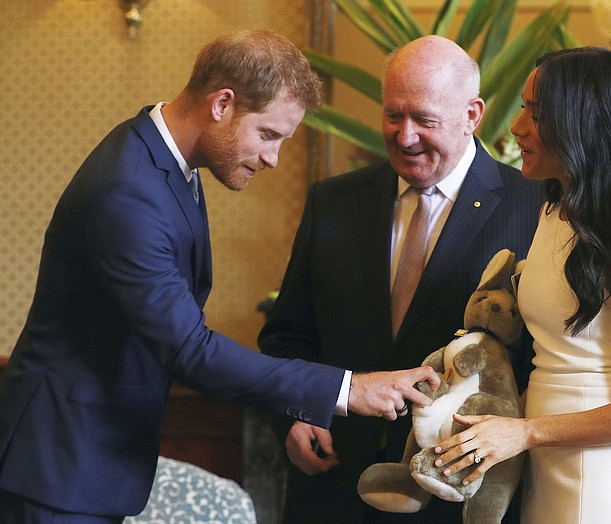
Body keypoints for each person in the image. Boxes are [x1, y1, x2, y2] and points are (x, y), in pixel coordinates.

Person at [0, 29, 439, 523]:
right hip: (59, 463)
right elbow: (190, 350)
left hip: (84, 458)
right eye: (268, 135)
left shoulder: (167, 162)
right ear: (222, 104)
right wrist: (347, 389)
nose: (272, 158)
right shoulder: (129, 190)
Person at [258, 35, 542, 524]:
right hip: (333, 482)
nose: (405, 136)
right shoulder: (333, 202)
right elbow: (288, 334)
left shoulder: (534, 207)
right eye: (394, 115)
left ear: (472, 115)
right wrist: (293, 416)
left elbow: (541, 357)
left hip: (458, 488)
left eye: (425, 120)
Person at [432, 47, 611, 523]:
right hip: (550, 467)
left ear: (585, 123)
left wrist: (526, 432)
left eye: (536, 113)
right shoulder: (555, 210)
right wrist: (487, 422)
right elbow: (561, 362)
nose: (516, 126)